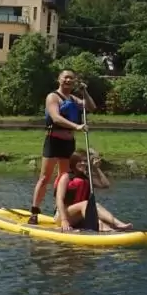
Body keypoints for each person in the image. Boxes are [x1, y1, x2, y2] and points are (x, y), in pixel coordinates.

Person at [29, 69, 96, 224]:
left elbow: (91, 107)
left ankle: (59, 209)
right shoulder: (53, 97)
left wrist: (85, 92)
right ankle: (34, 211)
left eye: (71, 78)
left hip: (68, 142)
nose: (68, 80)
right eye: (65, 77)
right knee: (45, 177)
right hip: (54, 141)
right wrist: (77, 126)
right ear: (59, 79)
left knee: (64, 177)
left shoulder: (73, 98)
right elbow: (56, 118)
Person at [53, 151, 133, 232]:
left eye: (85, 161)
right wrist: (64, 220)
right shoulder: (66, 177)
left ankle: (117, 223)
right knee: (86, 204)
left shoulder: (87, 179)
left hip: (77, 217)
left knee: (95, 205)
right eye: (79, 161)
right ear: (73, 162)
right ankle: (100, 225)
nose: (83, 163)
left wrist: (96, 168)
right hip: (62, 216)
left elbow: (105, 185)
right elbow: (59, 199)